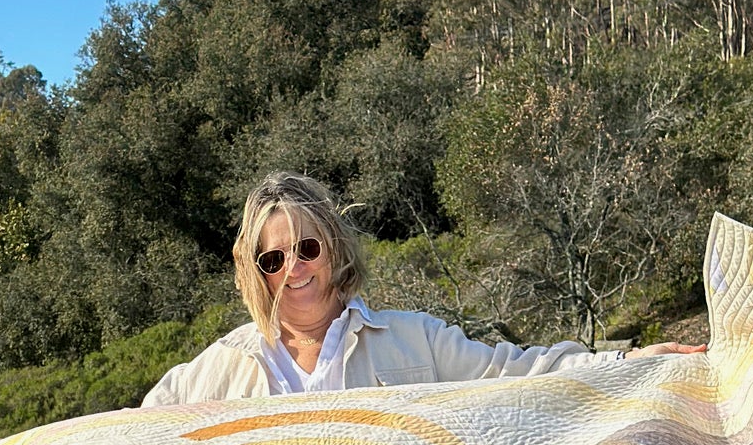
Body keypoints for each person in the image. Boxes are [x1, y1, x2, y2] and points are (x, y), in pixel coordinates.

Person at [142, 170, 700, 406]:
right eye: (273, 257)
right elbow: (132, 435)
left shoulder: (415, 341)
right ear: (255, 272)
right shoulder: (219, 368)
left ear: (333, 247)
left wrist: (631, 360)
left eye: (307, 248)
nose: (295, 269)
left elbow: (523, 372)